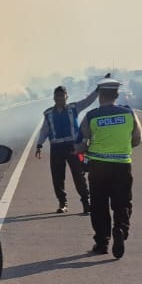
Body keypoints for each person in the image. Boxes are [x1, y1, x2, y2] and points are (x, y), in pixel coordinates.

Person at [78, 78, 141, 257]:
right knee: (122, 203)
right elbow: (137, 139)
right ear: (116, 95)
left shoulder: (91, 116)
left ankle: (102, 243)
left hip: (97, 167)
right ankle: (120, 230)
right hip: (122, 166)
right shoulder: (129, 114)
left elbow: (82, 144)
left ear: (99, 95)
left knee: (98, 206)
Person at [34, 83, 98, 214]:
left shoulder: (74, 108)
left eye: (62, 96)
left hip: (73, 148)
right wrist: (39, 145)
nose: (59, 99)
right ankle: (62, 203)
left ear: (66, 97)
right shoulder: (49, 113)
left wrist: (98, 90)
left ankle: (86, 202)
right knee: (57, 177)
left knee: (79, 176)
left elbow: (88, 101)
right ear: (54, 98)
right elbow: (44, 130)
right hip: (56, 149)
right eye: (57, 96)